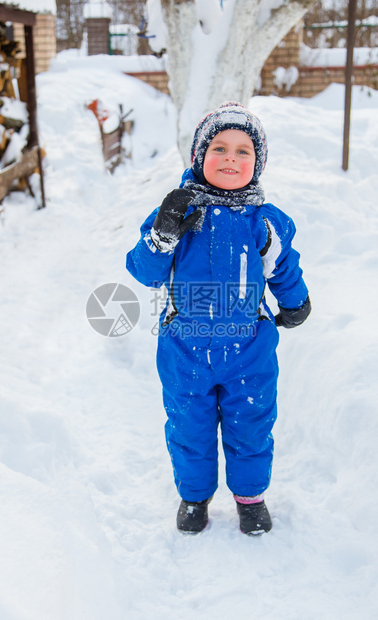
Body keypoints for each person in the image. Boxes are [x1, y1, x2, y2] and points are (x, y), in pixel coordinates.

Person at [126, 102, 311, 536]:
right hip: (185, 345)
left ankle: (250, 498)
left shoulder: (265, 221)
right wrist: (163, 234)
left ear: (257, 163)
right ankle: (194, 498)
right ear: (198, 157)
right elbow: (145, 272)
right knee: (189, 425)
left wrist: (295, 302)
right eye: (220, 148)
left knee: (251, 423)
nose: (231, 158)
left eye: (244, 151)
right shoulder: (178, 211)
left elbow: (284, 267)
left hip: (249, 346)